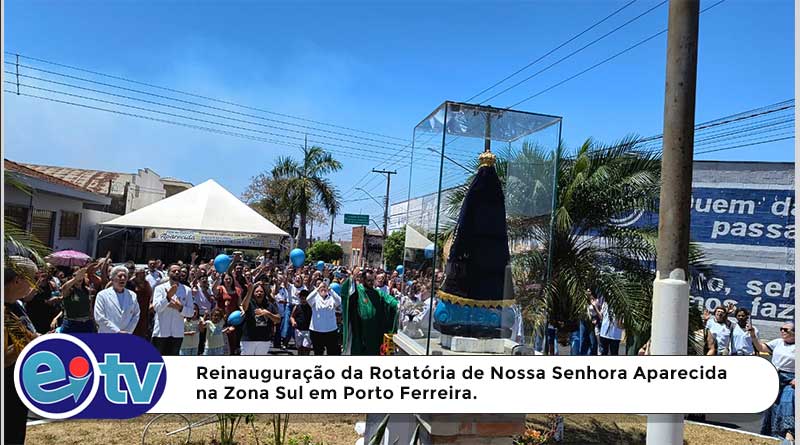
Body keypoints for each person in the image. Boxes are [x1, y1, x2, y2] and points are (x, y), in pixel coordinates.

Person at [5, 256, 40, 445]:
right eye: (32, 279)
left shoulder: (16, 305)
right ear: (17, 280)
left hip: (18, 387)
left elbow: (25, 335)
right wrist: (28, 342)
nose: (34, 285)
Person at [751, 322, 795, 441]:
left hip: (790, 380)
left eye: (786, 329)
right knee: (773, 407)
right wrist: (753, 335)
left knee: (786, 403)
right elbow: (761, 348)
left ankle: (789, 435)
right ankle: (772, 435)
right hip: (776, 377)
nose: (782, 331)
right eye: (781, 329)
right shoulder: (778, 342)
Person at [340, 266, 398, 355]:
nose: (371, 283)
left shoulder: (377, 292)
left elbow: (389, 300)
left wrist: (398, 305)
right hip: (360, 331)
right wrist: (352, 277)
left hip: (374, 332)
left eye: (372, 280)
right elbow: (345, 292)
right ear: (363, 280)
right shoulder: (357, 290)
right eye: (368, 280)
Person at [152, 264, 195, 356]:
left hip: (177, 332)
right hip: (161, 332)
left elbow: (191, 313)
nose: (176, 273)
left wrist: (180, 307)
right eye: (174, 271)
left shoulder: (187, 290)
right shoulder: (159, 288)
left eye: (178, 271)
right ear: (168, 273)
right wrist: (167, 298)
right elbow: (157, 308)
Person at [94, 265, 140, 334]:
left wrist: (128, 331)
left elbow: (136, 314)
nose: (123, 278)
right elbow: (99, 317)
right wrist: (117, 331)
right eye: (120, 276)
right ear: (112, 278)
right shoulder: (102, 295)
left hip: (125, 336)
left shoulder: (132, 295)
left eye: (125, 276)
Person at [239, 282, 281, 355]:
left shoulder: (269, 305)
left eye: (261, 291)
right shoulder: (250, 303)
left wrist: (268, 314)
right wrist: (249, 291)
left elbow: (278, 319)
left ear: (264, 293)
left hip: (264, 340)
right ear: (253, 293)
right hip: (249, 340)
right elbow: (244, 307)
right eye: (257, 291)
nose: (259, 293)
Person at [53, 264, 96, 333]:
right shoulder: (69, 290)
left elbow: (90, 309)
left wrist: (94, 322)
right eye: (75, 275)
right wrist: (76, 278)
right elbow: (64, 288)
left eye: (81, 276)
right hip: (72, 325)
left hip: (87, 324)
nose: (79, 278)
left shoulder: (87, 290)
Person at [307, 283, 342, 355]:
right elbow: (308, 299)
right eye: (321, 288)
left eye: (324, 288)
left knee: (332, 353)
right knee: (318, 353)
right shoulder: (315, 299)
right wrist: (317, 288)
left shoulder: (332, 298)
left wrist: (330, 290)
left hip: (331, 331)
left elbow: (339, 301)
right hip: (316, 331)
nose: (323, 289)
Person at [216, 272, 241, 354]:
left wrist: (242, 310)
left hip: (233, 319)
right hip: (221, 319)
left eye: (230, 279)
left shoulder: (237, 290)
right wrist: (217, 279)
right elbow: (213, 290)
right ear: (223, 280)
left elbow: (239, 303)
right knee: (220, 340)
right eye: (226, 279)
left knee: (232, 340)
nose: (228, 280)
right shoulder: (220, 288)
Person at [128, 268, 153, 339]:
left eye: (144, 273)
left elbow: (150, 294)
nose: (143, 274)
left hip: (144, 312)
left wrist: (151, 303)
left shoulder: (146, 283)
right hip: (133, 312)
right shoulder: (131, 283)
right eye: (141, 273)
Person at [291, 289, 314, 355]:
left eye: (305, 298)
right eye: (302, 298)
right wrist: (293, 322)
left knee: (306, 347)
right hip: (298, 330)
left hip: (308, 330)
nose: (303, 300)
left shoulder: (311, 307)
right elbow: (292, 316)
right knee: (300, 347)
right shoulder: (297, 307)